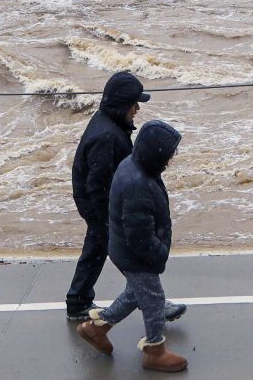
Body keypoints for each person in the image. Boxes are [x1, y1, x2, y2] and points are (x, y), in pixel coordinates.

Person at [66, 72, 187, 324]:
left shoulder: (111, 125)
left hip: (99, 203)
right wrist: (109, 220)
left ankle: (78, 300)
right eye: (134, 103)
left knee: (97, 249)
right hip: (101, 205)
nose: (137, 109)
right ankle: (155, 303)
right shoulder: (107, 137)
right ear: (122, 106)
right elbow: (96, 185)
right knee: (131, 257)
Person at [76, 120, 188, 373]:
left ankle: (98, 327)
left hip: (123, 248)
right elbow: (139, 234)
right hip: (137, 254)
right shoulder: (139, 184)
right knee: (154, 299)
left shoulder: (132, 165)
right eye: (170, 154)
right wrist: (158, 255)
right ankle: (154, 350)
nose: (172, 158)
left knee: (135, 293)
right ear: (156, 153)